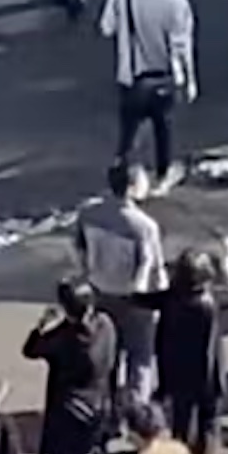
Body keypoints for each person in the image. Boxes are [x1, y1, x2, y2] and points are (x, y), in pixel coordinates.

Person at [24, 280, 119, 454]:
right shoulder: (105, 325)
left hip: (66, 412)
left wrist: (42, 324)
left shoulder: (63, 338)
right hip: (98, 404)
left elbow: (31, 349)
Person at [102, 0, 196, 192]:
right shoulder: (176, 1)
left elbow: (106, 27)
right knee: (163, 129)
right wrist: (189, 81)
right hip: (163, 78)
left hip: (130, 77)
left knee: (128, 131)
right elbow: (181, 47)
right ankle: (162, 176)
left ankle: (121, 175)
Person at [74, 161, 168, 405]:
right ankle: (138, 411)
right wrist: (157, 302)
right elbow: (151, 265)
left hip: (100, 291)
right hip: (134, 298)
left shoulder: (89, 213)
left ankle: (109, 410)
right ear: (132, 187)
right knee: (140, 357)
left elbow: (79, 249)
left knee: (108, 355)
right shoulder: (144, 226)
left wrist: (88, 275)